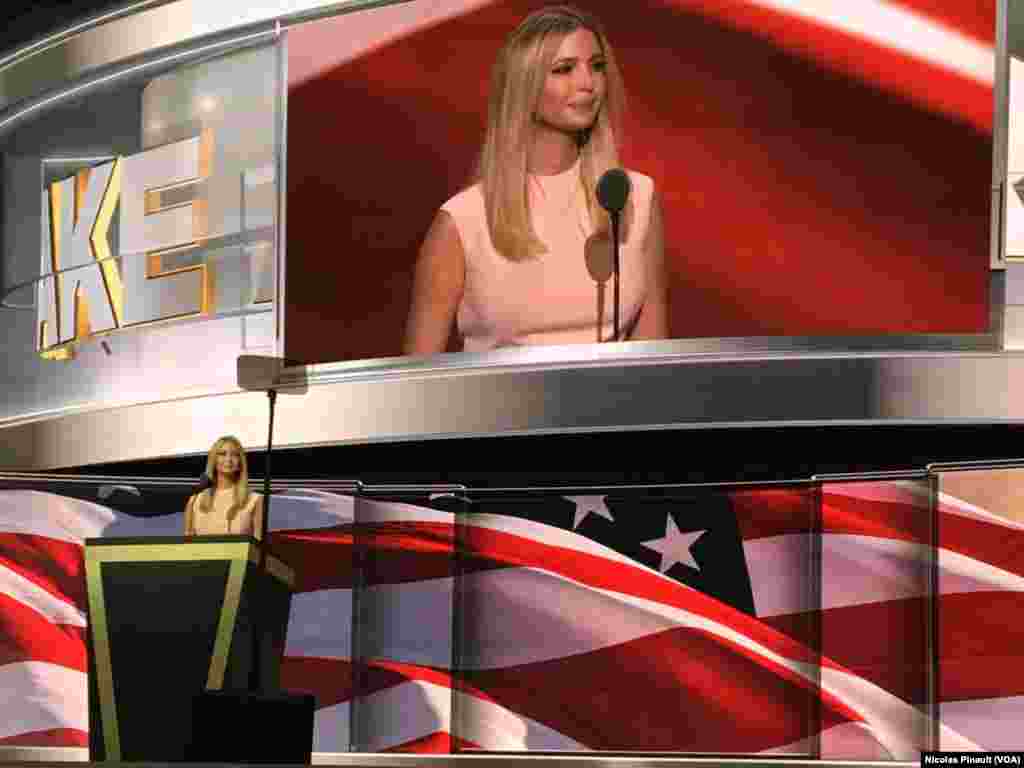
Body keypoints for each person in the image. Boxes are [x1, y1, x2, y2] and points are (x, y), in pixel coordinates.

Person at [404, 4, 667, 355]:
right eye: (564, 69)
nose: (587, 83)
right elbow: (418, 384)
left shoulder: (634, 198)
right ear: (523, 85)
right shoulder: (461, 223)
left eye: (597, 66)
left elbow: (655, 360)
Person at [184, 435, 263, 539]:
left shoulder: (255, 499)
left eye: (235, 455)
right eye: (222, 454)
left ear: (240, 462)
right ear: (214, 459)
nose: (228, 459)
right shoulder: (195, 500)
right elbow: (187, 547)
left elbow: (259, 547)